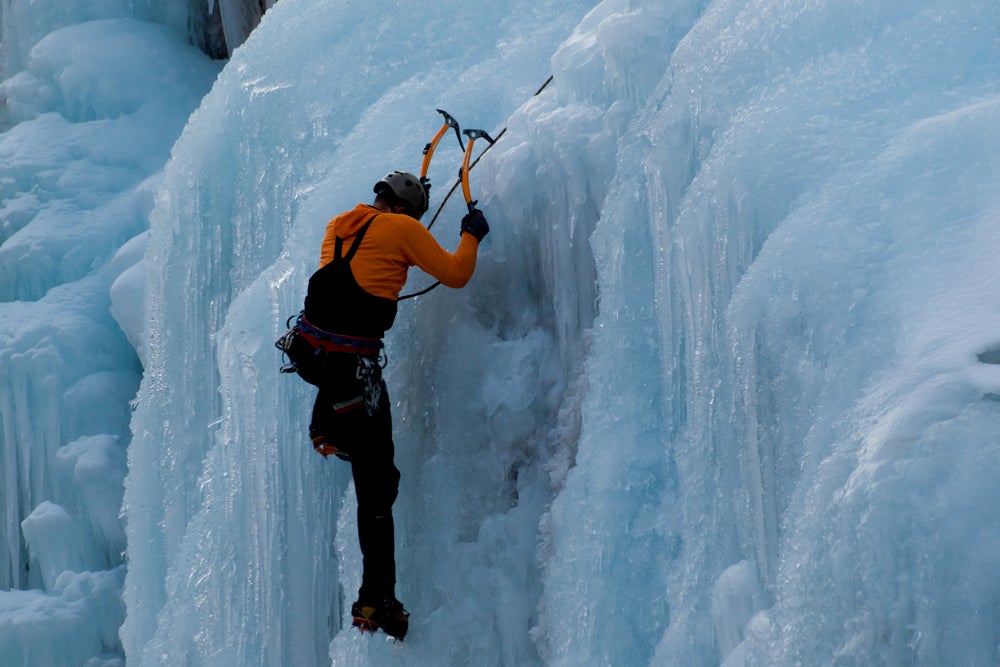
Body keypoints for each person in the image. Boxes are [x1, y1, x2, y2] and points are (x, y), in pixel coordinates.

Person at [303, 170, 489, 639]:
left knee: (343, 360)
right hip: (353, 375)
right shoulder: (404, 228)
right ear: (407, 210)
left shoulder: (338, 225)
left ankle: (325, 428)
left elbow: (348, 293)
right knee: (378, 484)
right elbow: (456, 275)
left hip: (316, 361)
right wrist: (471, 235)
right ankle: (376, 599)